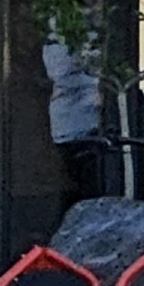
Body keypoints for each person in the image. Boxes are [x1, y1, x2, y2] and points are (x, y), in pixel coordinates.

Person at [43, 39, 109, 216]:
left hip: (83, 123)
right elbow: (61, 72)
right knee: (81, 187)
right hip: (73, 127)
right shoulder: (58, 41)